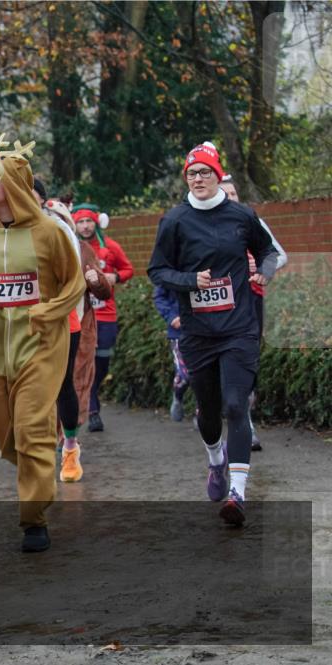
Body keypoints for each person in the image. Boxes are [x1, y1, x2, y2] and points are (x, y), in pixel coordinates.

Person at [0, 134, 85, 552]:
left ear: (14, 182)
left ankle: (34, 519)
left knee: (31, 426)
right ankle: (37, 457)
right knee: (4, 429)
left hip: (41, 346)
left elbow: (73, 282)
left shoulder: (50, 232)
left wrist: (50, 311)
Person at [148, 141, 278, 526]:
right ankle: (216, 459)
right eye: (192, 173)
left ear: (218, 174)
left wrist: (264, 272)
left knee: (236, 404)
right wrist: (191, 281)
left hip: (239, 329)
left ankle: (237, 493)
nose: (198, 178)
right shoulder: (174, 220)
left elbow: (269, 251)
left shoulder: (241, 215)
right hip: (198, 333)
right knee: (207, 412)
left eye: (205, 171)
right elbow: (157, 271)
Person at [40, 196, 111, 482]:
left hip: (77, 325)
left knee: (73, 382)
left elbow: (104, 290)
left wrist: (96, 280)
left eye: (60, 222)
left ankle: (66, 441)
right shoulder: (26, 248)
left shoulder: (81, 250)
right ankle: (45, 438)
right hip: (39, 328)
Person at [218, 175, 287, 451]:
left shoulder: (252, 221)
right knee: (222, 363)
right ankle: (218, 414)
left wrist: (262, 271)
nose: (230, 198)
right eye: (225, 194)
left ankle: (245, 418)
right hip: (219, 306)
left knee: (247, 360)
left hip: (251, 300)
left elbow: (278, 254)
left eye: (234, 194)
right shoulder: (202, 225)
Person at [72, 204, 133, 433]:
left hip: (106, 313)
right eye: (81, 222)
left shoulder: (110, 247)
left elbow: (129, 269)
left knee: (102, 361)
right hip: (82, 314)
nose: (85, 226)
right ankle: (93, 410)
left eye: (89, 221)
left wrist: (114, 277)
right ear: (75, 225)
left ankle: (91, 392)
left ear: (96, 222)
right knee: (83, 361)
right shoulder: (72, 248)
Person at [153, 285, 189, 421]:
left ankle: (202, 415)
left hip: (203, 331)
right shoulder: (170, 267)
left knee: (203, 375)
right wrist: (172, 317)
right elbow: (159, 296)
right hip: (178, 333)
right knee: (185, 375)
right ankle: (178, 397)